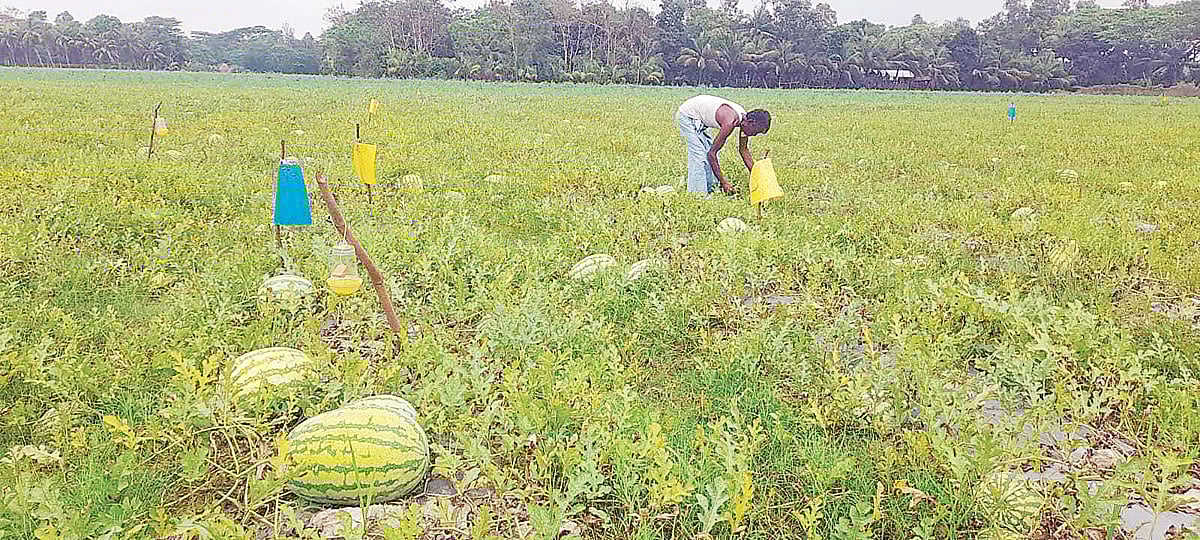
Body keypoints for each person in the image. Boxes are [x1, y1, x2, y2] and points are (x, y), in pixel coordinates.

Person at [675, 95, 771, 196]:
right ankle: (697, 195)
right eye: (757, 131)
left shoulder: (744, 121)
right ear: (752, 122)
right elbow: (712, 154)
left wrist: (757, 176)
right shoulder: (730, 122)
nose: (755, 135)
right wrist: (724, 182)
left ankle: (711, 188)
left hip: (701, 120)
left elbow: (743, 150)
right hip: (688, 115)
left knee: (706, 152)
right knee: (699, 156)